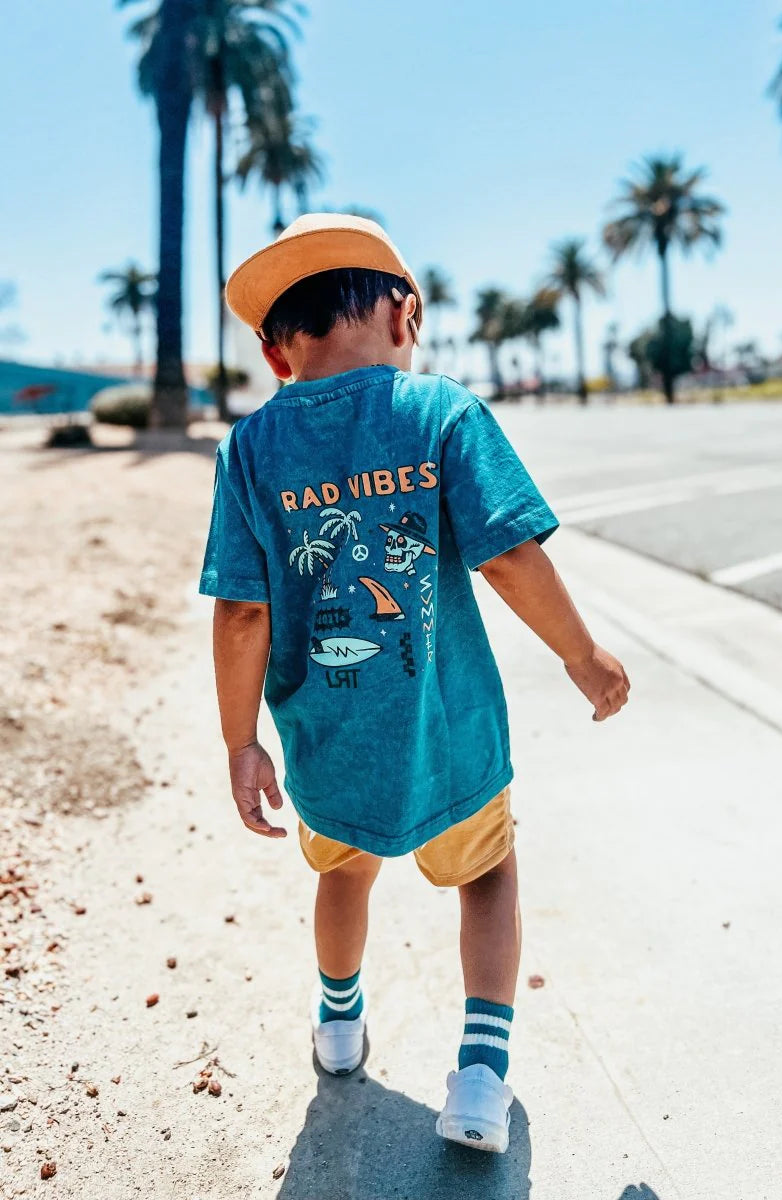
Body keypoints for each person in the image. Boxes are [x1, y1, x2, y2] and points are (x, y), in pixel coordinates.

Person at [200, 213, 629, 1154]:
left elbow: (240, 612)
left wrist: (241, 741)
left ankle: (341, 1025)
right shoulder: (440, 413)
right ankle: (479, 1077)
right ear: (407, 312)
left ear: (276, 355)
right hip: (452, 736)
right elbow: (511, 555)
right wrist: (582, 655)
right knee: (486, 877)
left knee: (343, 873)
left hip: (325, 746)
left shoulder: (251, 450)